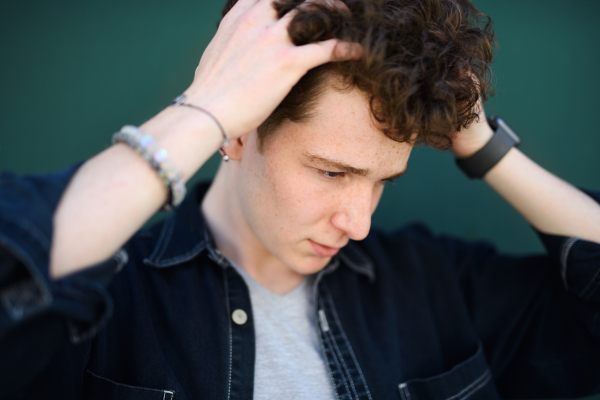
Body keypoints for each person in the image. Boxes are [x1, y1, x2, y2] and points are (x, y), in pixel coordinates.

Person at [1, 0, 599, 398]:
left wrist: (482, 144)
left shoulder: (438, 287)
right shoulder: (115, 302)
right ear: (239, 133)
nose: (358, 223)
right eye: (333, 173)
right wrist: (203, 110)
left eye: (382, 181)